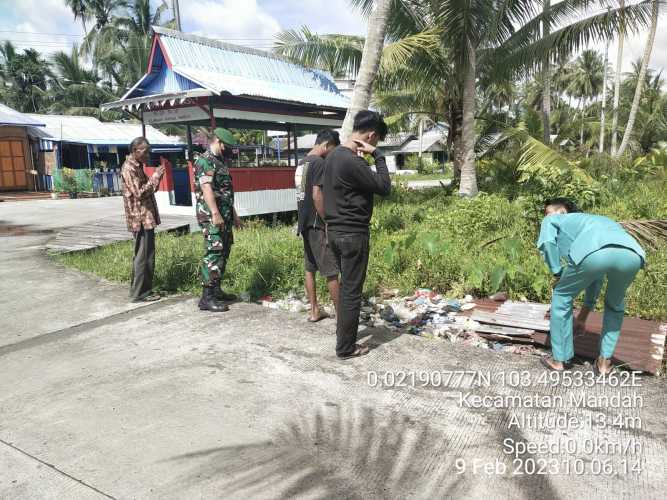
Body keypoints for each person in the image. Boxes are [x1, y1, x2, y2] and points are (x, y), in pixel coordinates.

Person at [537, 198, 646, 374]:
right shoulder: (596, 221)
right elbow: (595, 277)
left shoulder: (554, 219)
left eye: (548, 212)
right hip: (632, 254)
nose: (547, 217)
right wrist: (582, 317)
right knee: (615, 306)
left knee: (561, 295)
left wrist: (557, 272)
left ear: (562, 212)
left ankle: (559, 360)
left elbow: (548, 244)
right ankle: (604, 363)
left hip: (594, 252)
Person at [323, 111, 390, 359]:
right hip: (353, 234)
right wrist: (378, 156)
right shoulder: (353, 161)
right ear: (371, 135)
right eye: (376, 142)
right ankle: (346, 348)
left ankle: (344, 337)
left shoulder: (333, 156)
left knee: (345, 288)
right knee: (351, 291)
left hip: (335, 232)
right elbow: (384, 187)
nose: (375, 145)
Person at [194, 128, 243, 312]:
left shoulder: (220, 162)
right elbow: (206, 188)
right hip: (211, 216)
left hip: (224, 216)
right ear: (219, 142)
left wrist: (235, 216)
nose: (230, 150)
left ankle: (216, 290)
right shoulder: (205, 161)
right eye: (227, 146)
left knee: (223, 252)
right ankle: (206, 298)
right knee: (213, 254)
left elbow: (225, 193)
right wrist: (214, 213)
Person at [296, 129, 341, 322]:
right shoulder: (320, 163)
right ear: (326, 145)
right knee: (331, 270)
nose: (331, 154)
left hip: (303, 222)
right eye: (332, 150)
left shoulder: (301, 163)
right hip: (316, 223)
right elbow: (316, 194)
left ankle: (314, 310)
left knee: (310, 267)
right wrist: (327, 221)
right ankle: (342, 317)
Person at [121, 137, 166, 302]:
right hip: (139, 219)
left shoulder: (137, 166)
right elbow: (139, 193)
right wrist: (155, 177)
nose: (148, 154)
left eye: (149, 150)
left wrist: (155, 178)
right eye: (145, 151)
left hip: (145, 218)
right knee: (142, 257)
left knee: (147, 256)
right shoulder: (129, 168)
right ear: (135, 151)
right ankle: (139, 293)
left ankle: (143, 290)